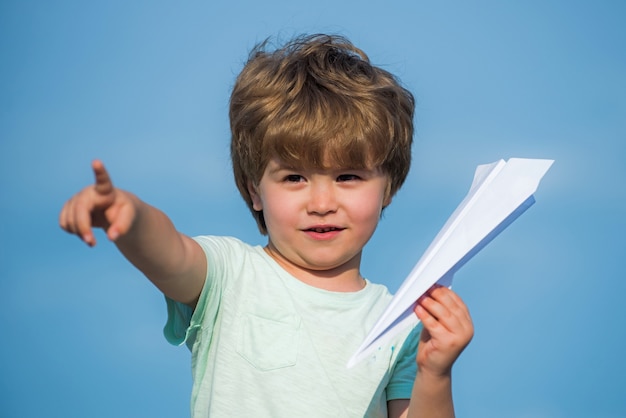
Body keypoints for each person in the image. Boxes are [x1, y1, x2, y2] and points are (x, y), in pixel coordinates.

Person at [60, 34, 473, 418]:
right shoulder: (230, 276)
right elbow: (171, 252)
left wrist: (435, 374)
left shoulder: (399, 323)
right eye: (294, 178)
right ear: (253, 190)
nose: (322, 203)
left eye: (348, 177)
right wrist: (128, 215)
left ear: (389, 187)